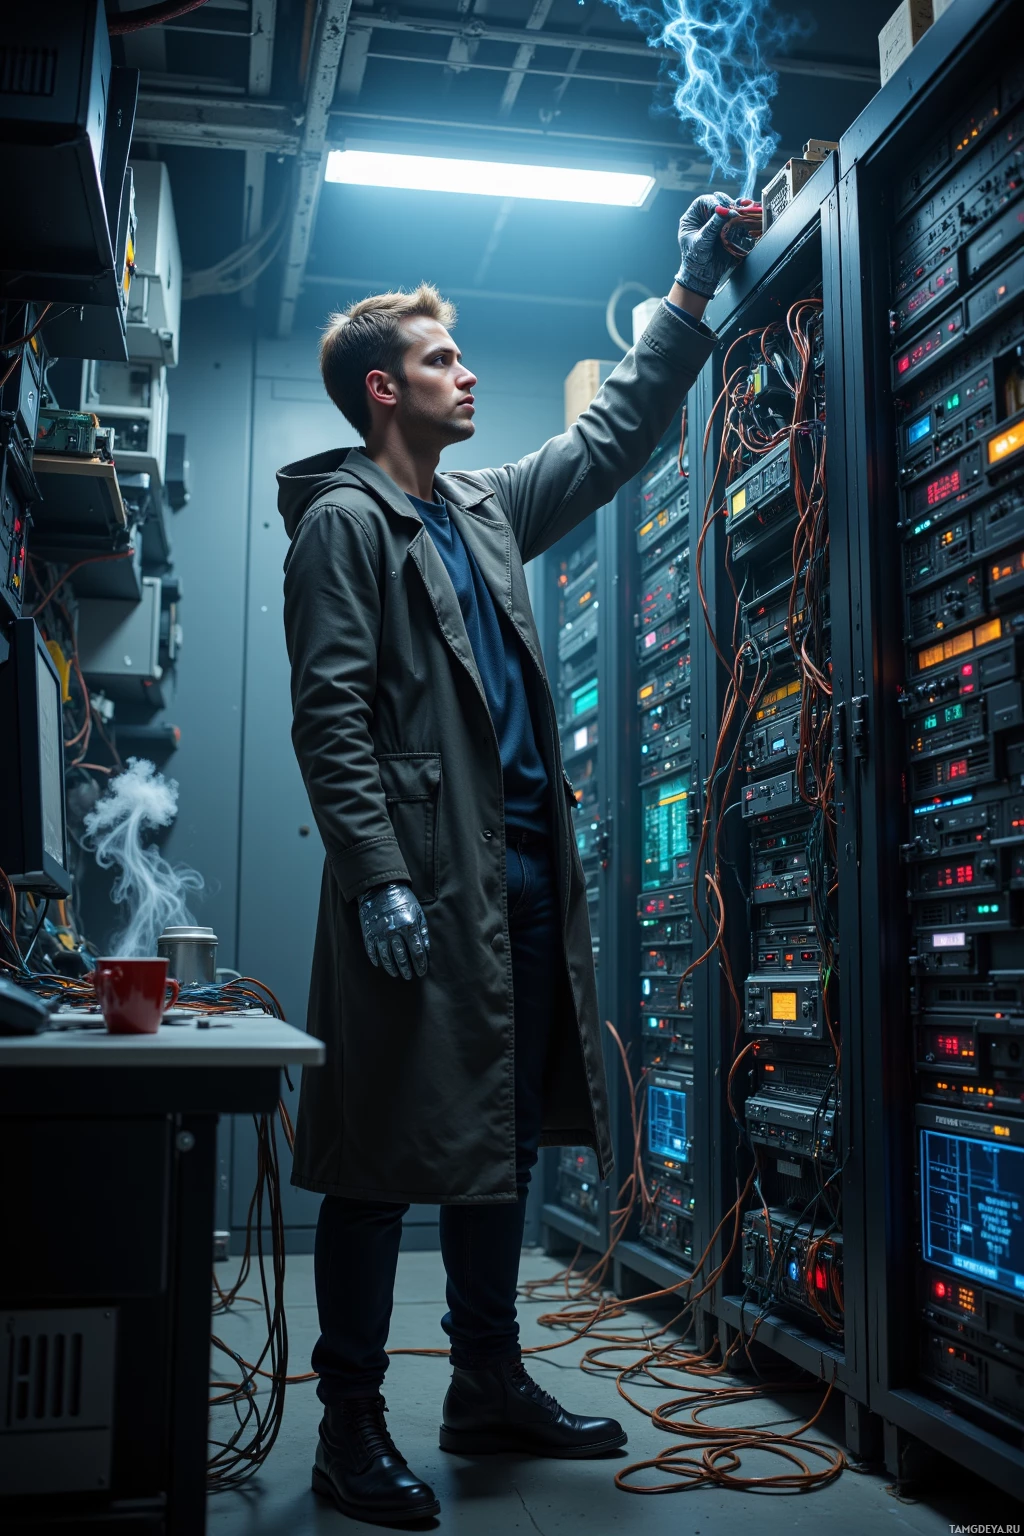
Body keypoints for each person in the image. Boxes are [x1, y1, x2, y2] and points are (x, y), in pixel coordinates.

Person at [278, 192, 755, 1526]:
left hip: (520, 879)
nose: (468, 371)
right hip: (418, 888)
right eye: (442, 358)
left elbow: (610, 441)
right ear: (386, 389)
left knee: (494, 1144)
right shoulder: (344, 525)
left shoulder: (481, 507)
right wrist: (374, 874)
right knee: (380, 1159)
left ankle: (488, 1382)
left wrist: (690, 290)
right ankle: (348, 1427)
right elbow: (330, 718)